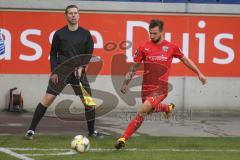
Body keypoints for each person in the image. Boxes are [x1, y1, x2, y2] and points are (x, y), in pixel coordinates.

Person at [114, 19, 207, 149]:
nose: (152, 36)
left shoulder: (171, 47)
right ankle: (166, 108)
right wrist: (125, 83)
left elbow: (185, 60)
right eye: (150, 33)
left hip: (161, 89)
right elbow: (134, 67)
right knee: (149, 110)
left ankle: (123, 138)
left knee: (142, 111)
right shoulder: (143, 47)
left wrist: (199, 73)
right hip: (146, 88)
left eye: (155, 33)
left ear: (162, 32)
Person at [25, 5, 103, 140]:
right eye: (71, 13)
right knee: (48, 99)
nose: (73, 15)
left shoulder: (86, 34)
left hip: (78, 74)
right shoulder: (59, 34)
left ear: (79, 15)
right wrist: (54, 71)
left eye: (75, 13)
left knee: (89, 102)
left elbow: (88, 53)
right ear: (66, 16)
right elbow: (53, 53)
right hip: (61, 72)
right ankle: (31, 130)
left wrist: (83, 66)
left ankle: (91, 132)